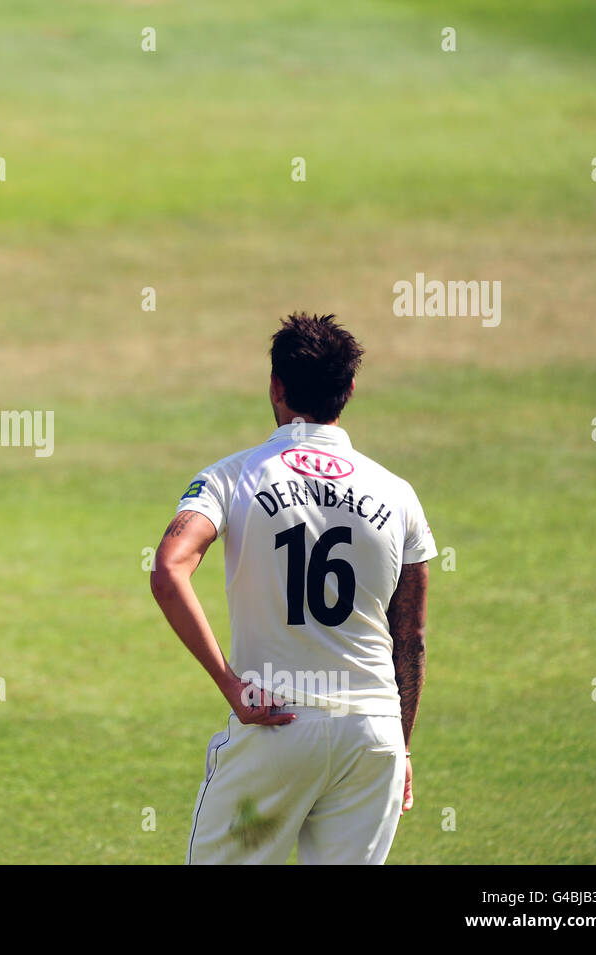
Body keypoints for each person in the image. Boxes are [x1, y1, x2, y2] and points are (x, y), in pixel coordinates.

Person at [150, 313, 435, 864]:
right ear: (349, 390)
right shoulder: (399, 495)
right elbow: (412, 636)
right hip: (371, 734)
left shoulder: (231, 476)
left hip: (276, 724)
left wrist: (230, 685)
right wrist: (399, 743)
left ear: (276, 386)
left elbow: (168, 570)